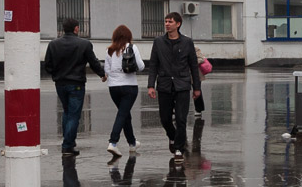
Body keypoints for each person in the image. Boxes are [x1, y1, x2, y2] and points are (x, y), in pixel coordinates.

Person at [42, 17, 105, 156]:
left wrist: (57, 75)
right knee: (74, 115)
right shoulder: (84, 44)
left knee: (67, 111)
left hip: (60, 84)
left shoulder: (53, 44)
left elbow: (47, 65)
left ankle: (68, 140)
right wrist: (102, 74)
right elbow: (93, 62)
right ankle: (67, 145)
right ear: (76, 28)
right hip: (76, 84)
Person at [147, 12, 202, 161]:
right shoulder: (158, 42)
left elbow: (193, 66)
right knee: (165, 118)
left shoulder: (187, 42)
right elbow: (153, 65)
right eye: (165, 21)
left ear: (178, 24)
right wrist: (150, 85)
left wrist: (197, 87)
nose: (167, 24)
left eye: (170, 21)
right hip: (164, 84)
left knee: (181, 118)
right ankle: (172, 136)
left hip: (182, 84)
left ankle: (179, 148)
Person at [103, 24, 144, 158]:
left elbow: (107, 71)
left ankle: (132, 143)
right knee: (122, 114)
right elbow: (141, 66)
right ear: (128, 36)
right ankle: (113, 142)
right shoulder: (131, 47)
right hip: (129, 86)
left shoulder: (109, 50)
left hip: (113, 87)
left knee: (125, 114)